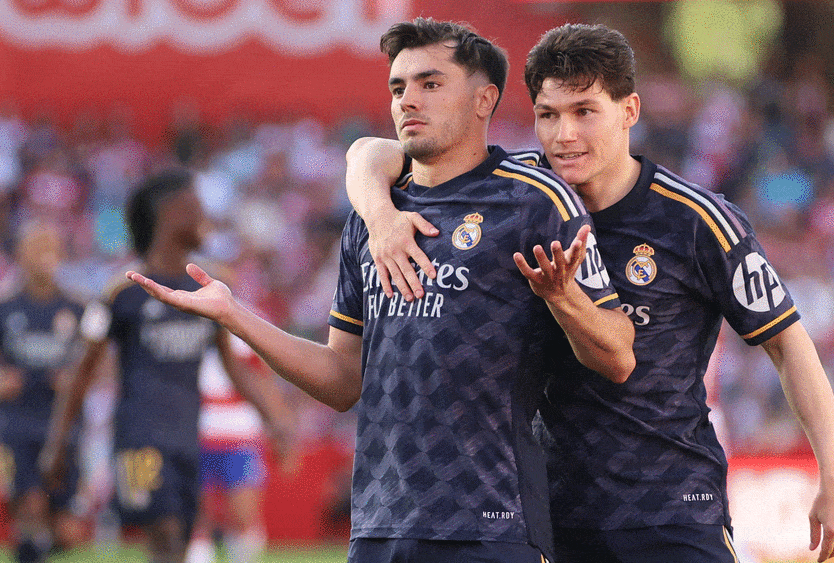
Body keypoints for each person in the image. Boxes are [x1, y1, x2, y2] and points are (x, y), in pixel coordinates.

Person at [343, 22, 834, 563]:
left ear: (629, 110)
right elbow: (373, 153)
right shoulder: (520, 199)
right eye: (548, 115)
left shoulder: (695, 219)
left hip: (671, 512)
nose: (564, 135)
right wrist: (380, 217)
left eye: (584, 112)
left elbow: (786, 342)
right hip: (552, 515)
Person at [126, 17, 635, 563]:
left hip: (494, 525)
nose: (407, 100)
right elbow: (343, 379)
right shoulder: (370, 218)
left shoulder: (535, 202)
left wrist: (563, 297)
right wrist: (234, 314)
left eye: (430, 83)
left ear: (484, 100)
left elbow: (618, 353)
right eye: (398, 87)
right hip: (380, 526)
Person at [39, 169, 291, 563]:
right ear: (171, 214)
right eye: (197, 208)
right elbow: (82, 373)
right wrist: (57, 445)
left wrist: (273, 420)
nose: (206, 219)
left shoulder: (208, 289)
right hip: (140, 442)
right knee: (168, 541)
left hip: (189, 440)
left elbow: (233, 366)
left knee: (182, 544)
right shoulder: (122, 292)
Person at [0, 221, 86, 563]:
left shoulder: (77, 307)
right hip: (15, 422)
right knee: (29, 504)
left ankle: (36, 548)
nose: (46, 256)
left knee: (68, 530)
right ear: (20, 254)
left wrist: (76, 381)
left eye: (52, 248)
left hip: (64, 424)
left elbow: (102, 364)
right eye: (37, 248)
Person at [185, 334, 298, 563]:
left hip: (240, 436)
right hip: (195, 433)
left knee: (244, 517)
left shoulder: (244, 332)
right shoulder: (187, 330)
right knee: (197, 517)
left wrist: (280, 427)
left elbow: (263, 381)